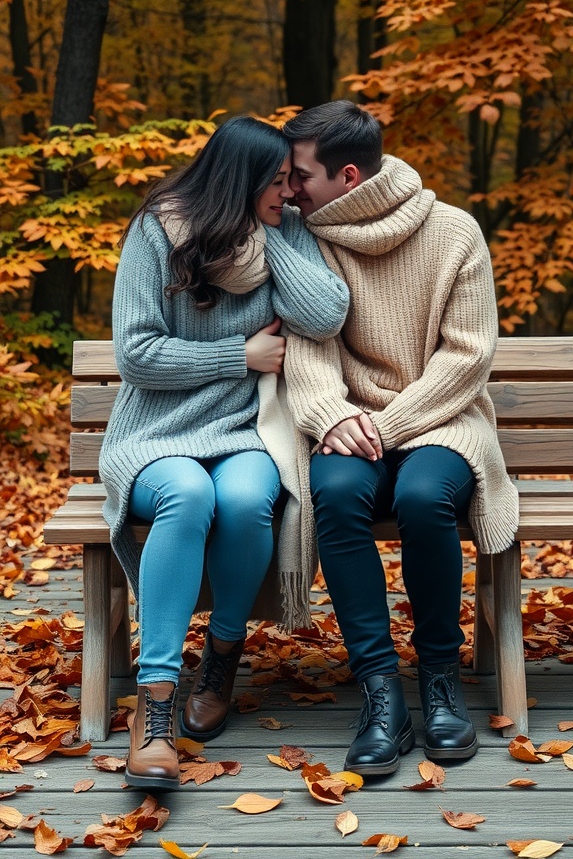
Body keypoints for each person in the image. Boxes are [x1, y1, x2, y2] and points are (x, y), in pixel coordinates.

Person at [99, 116, 349, 792]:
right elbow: (138, 353)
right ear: (239, 179)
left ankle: (222, 655)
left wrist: (269, 226)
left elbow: (325, 314)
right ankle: (155, 707)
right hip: (157, 434)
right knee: (190, 495)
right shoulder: (158, 230)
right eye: (276, 182)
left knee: (242, 500)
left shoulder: (280, 231)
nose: (291, 193)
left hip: (246, 433)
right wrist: (237, 354)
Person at [282, 100, 519, 776]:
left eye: (301, 175)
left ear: (347, 176)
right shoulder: (305, 236)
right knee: (333, 490)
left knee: (422, 497)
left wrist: (385, 427)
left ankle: (440, 680)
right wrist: (330, 415)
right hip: (348, 428)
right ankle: (381, 690)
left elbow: (467, 357)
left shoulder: (454, 233)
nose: (290, 187)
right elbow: (309, 347)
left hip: (440, 422)